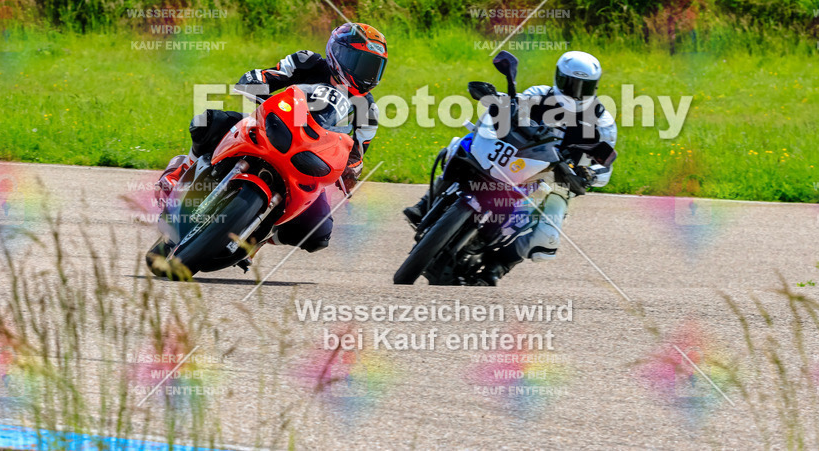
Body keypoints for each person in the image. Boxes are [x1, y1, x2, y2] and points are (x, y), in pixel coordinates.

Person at [155, 22, 387, 253]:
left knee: (318, 234)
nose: (366, 73)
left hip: (308, 162)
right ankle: (181, 169)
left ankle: (261, 235)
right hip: (273, 128)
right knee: (207, 122)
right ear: (339, 53)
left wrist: (350, 170)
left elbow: (357, 153)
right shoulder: (307, 61)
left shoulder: (368, 109)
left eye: (373, 68)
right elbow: (270, 75)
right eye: (361, 63)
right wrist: (257, 81)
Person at [403, 50, 617, 285]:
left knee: (546, 236)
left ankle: (499, 265)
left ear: (594, 87)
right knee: (462, 143)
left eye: (583, 87)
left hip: (554, 179)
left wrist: (589, 175)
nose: (575, 91)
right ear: (558, 77)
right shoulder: (539, 94)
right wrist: (497, 101)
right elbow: (513, 107)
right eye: (570, 83)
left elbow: (605, 169)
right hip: (517, 154)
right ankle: (425, 204)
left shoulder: (602, 122)